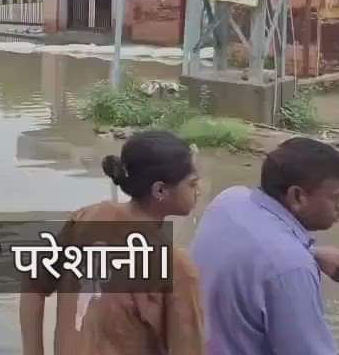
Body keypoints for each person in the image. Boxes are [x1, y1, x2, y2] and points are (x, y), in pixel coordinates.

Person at [20, 131, 205, 355]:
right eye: (192, 184)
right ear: (160, 190)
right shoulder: (177, 268)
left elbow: (32, 287)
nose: (199, 191)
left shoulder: (87, 219)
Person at [189, 137, 339, 355]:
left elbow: (261, 245)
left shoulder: (229, 200)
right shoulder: (292, 267)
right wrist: (300, 256)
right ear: (297, 196)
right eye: (336, 197)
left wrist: (311, 251)